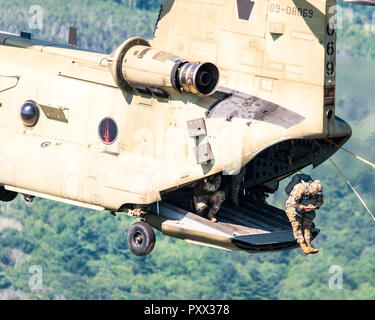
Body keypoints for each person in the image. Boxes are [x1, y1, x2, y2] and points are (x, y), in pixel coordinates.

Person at [285, 178, 323, 255]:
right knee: (297, 226)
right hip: (294, 208)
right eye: (312, 193)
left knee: (307, 226)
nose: (313, 195)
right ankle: (303, 247)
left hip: (308, 208)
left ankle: (308, 245)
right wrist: (305, 208)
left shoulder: (317, 190)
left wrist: (315, 206)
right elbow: (293, 203)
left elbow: (320, 201)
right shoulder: (300, 188)